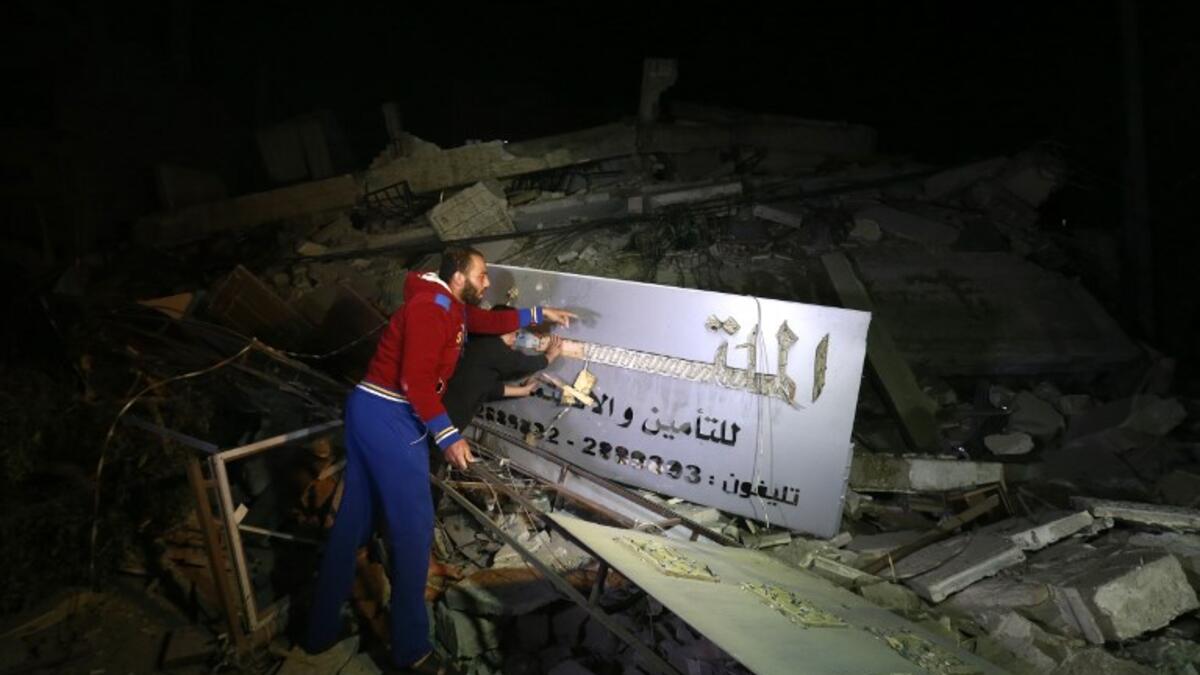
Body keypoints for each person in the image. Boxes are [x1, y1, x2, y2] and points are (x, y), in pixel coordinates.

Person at [306, 246, 576, 673]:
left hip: (371, 409)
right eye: (482, 275)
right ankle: (412, 652)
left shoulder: (448, 304)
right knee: (413, 532)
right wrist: (447, 434)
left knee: (354, 522)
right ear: (458, 278)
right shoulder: (431, 309)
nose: (487, 283)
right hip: (389, 414)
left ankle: (318, 631)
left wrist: (539, 313)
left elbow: (487, 321)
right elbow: (414, 381)